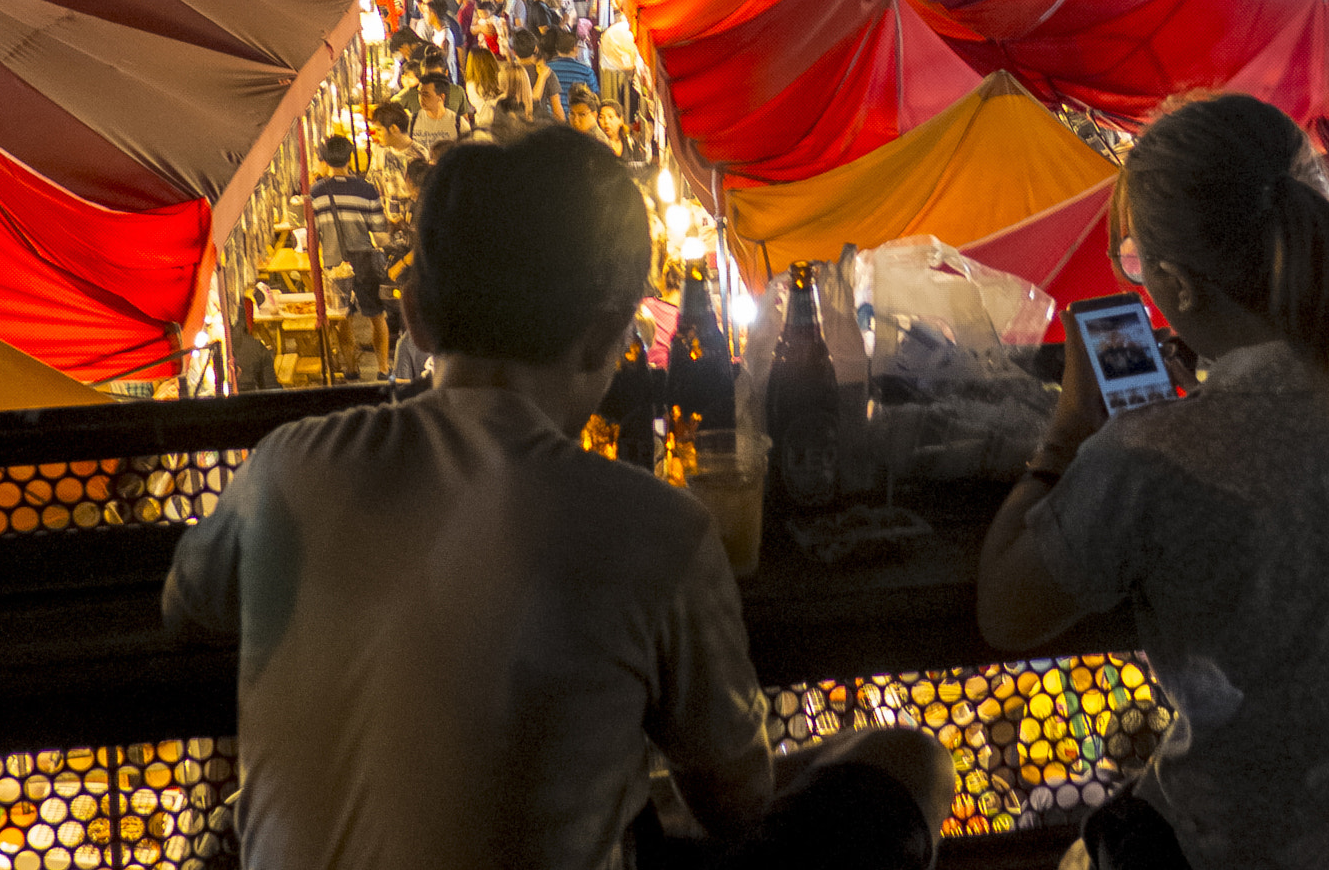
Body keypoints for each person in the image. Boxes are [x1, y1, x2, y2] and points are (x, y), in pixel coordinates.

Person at [164, 129, 951, 870]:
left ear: (415, 317)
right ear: (611, 334)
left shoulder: (288, 466)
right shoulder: (656, 530)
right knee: (909, 760)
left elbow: (188, 603)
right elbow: (737, 802)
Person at [976, 94, 1329, 870]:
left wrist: (1069, 433)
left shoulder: (1149, 452)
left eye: (1137, 264)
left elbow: (1006, 609)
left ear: (1178, 283)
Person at [308, 134, 391, 377]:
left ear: (324, 160)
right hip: (364, 260)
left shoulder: (316, 193)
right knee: (377, 315)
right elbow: (378, 227)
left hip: (334, 263)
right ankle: (384, 369)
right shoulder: (366, 190)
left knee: (343, 318)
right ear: (349, 157)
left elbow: (313, 232)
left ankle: (351, 369)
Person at [510, 28, 566, 125]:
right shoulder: (546, 72)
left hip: (514, 129)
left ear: (514, 52)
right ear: (536, 48)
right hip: (539, 128)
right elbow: (558, 113)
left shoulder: (508, 73)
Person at [547, 26, 600, 110]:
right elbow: (594, 95)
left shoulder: (546, 69)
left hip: (551, 117)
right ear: (575, 48)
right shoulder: (586, 71)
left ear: (557, 49)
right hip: (578, 115)